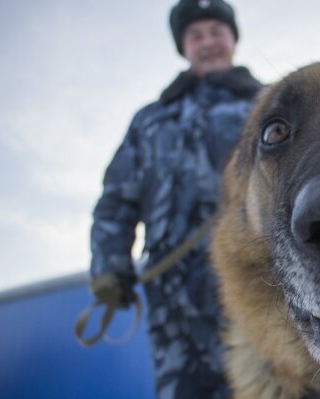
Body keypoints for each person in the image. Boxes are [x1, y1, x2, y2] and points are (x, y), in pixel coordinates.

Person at [89, 1, 262, 397]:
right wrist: (109, 265)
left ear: (232, 38)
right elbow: (116, 199)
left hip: (260, 289)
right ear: (184, 47)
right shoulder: (151, 120)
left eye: (216, 32)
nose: (208, 43)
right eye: (196, 36)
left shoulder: (268, 106)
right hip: (175, 304)